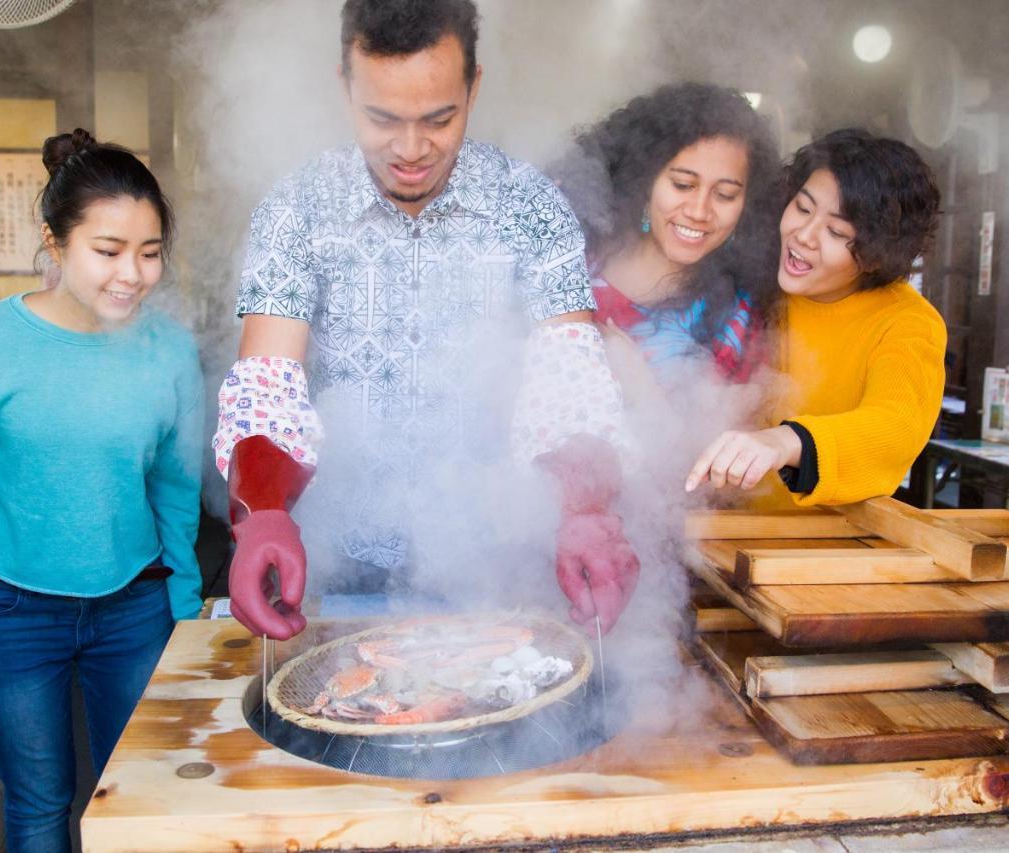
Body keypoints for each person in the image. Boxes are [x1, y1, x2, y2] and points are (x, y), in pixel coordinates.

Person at [213, 0, 639, 639]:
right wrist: (263, 513)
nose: (410, 150)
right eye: (381, 118)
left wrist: (585, 509)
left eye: (439, 119)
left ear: (474, 86)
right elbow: (269, 379)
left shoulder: (531, 207)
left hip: (493, 567)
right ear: (344, 85)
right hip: (334, 567)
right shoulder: (296, 208)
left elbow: (569, 378)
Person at [0, 129, 203, 852]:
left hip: (133, 604)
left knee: (134, 793)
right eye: (108, 251)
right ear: (54, 241)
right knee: (41, 802)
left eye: (150, 251)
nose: (133, 274)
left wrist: (185, 595)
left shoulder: (168, 348)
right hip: (10, 609)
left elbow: (176, 481)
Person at [685, 128, 945, 505]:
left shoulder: (906, 321)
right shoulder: (753, 281)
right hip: (715, 531)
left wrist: (785, 441)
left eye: (837, 232)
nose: (803, 235)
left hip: (816, 550)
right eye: (803, 208)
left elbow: (897, 425)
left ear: (876, 256)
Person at [554, 82, 782, 400]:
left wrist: (638, 383)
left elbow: (722, 446)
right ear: (645, 180)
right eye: (683, 185)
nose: (699, 211)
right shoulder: (568, 257)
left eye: (725, 195)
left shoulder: (737, 322)